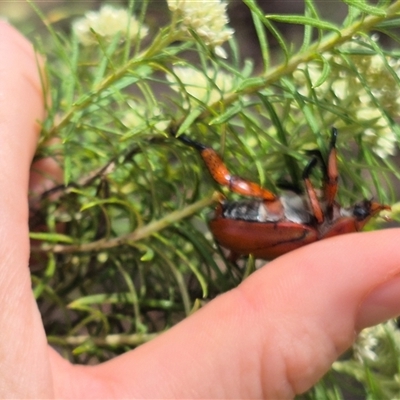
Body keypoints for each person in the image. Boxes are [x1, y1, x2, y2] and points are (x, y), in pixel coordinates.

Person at [2, 20, 400, 399]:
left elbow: (325, 185)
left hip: (243, 223)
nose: (358, 209)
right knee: (262, 191)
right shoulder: (320, 221)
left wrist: (330, 148)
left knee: (232, 182)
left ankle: (201, 149)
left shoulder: (317, 224)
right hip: (248, 230)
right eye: (361, 212)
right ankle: (199, 149)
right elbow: (320, 188)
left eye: (359, 214)